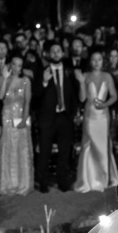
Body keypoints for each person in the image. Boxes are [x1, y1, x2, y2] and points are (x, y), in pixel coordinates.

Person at [36, 41, 79, 193]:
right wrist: (44, 81)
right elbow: (35, 96)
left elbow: (74, 94)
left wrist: (73, 114)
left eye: (58, 50)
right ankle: (42, 182)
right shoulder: (41, 70)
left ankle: (63, 182)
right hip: (47, 118)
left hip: (65, 117)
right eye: (52, 50)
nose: (55, 53)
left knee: (64, 152)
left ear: (62, 53)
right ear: (48, 54)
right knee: (44, 152)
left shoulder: (69, 71)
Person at [74, 51, 118, 193]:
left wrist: (105, 104)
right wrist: (81, 82)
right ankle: (87, 180)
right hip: (89, 116)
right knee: (88, 145)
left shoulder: (107, 76)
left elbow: (114, 96)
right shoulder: (85, 76)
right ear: (90, 61)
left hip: (103, 117)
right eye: (94, 59)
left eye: (99, 59)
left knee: (103, 146)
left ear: (103, 61)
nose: (96, 62)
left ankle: (103, 178)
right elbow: (82, 99)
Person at [0, 55, 34, 196]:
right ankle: (8, 183)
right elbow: (0, 96)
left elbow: (27, 102)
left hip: (21, 117)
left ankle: (22, 183)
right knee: (8, 148)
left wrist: (24, 119)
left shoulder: (25, 81)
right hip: (6, 117)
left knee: (21, 149)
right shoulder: (2, 78)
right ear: (10, 65)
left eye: (19, 65)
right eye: (14, 64)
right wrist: (5, 78)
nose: (16, 68)